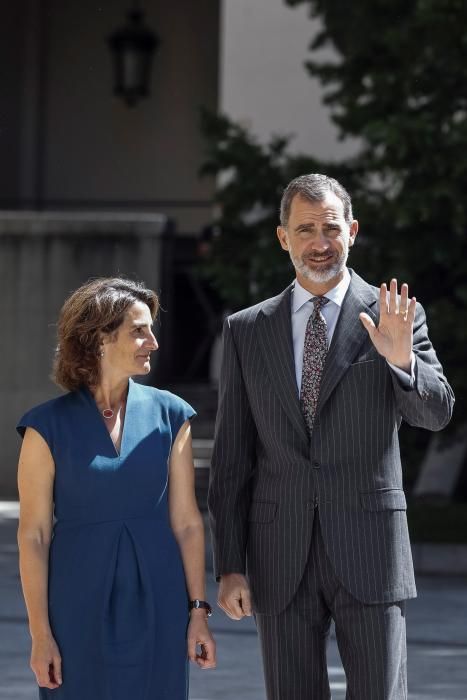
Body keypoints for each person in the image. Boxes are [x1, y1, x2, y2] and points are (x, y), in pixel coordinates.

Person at [208, 174, 454, 699]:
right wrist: (229, 564)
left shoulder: (393, 316)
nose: (319, 243)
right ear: (283, 237)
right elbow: (233, 458)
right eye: (305, 229)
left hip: (371, 551)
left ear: (353, 231)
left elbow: (435, 415)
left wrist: (400, 360)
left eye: (331, 228)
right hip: (278, 552)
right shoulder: (247, 330)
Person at [17, 277, 215, 700]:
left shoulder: (171, 414)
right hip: (76, 601)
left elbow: (186, 523)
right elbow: (33, 535)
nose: (153, 342)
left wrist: (198, 612)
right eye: (139, 330)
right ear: (100, 337)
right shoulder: (45, 427)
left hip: (160, 600)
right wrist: (40, 635)